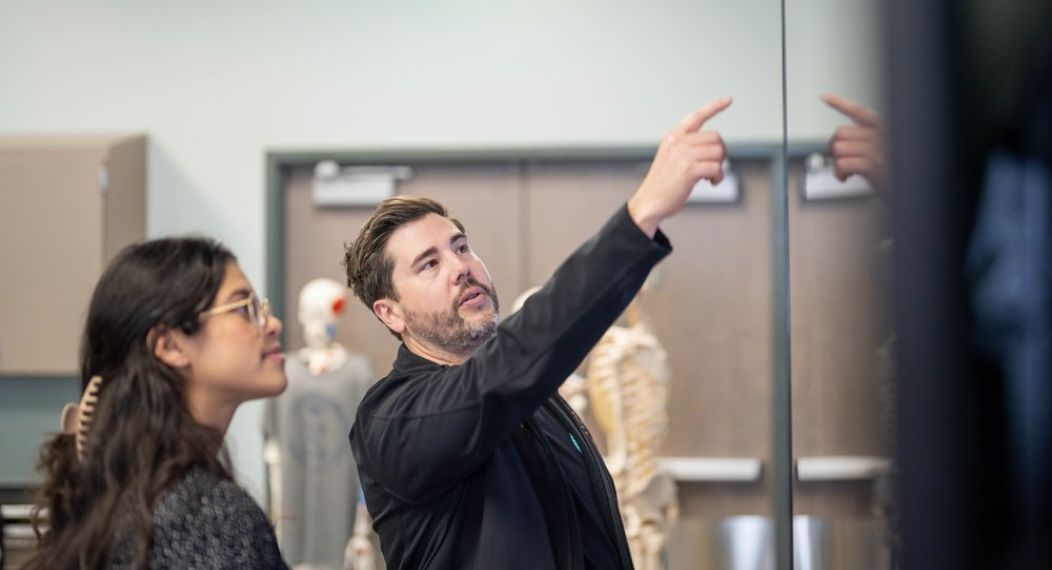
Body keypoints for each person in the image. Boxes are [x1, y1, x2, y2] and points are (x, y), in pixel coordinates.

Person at [343, 97, 732, 569]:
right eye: (430, 264)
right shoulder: (392, 420)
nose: (461, 269)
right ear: (391, 314)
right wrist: (642, 214)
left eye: (461, 247)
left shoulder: (541, 406)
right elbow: (507, 367)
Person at [25, 237, 289, 569]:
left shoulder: (124, 501)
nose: (272, 324)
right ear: (169, 345)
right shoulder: (209, 518)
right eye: (242, 309)